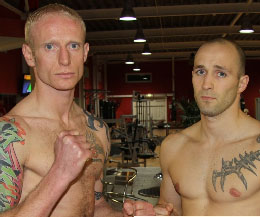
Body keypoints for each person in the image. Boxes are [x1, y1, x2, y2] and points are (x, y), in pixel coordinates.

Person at [0, 3, 155, 217]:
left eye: (73, 46)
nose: (65, 60)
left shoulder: (97, 129)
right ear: (29, 54)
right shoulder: (10, 134)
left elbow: (95, 206)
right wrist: (59, 174)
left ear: (85, 52)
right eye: (50, 47)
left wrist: (125, 216)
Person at [124, 38, 260, 216]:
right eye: (201, 71)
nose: (206, 84)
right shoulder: (173, 147)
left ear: (242, 83)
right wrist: (154, 214)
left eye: (220, 74)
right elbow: (172, 210)